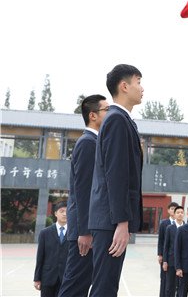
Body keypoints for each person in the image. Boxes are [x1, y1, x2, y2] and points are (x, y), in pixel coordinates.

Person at [88, 64, 144, 297]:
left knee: (107, 286)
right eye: (138, 82)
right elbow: (116, 174)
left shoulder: (122, 119)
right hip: (111, 221)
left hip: (111, 219)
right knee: (104, 287)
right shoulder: (117, 119)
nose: (142, 88)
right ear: (124, 86)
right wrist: (122, 222)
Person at [58, 94, 109, 297]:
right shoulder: (88, 143)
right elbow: (83, 191)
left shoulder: (94, 142)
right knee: (74, 287)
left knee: (80, 285)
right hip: (84, 233)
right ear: (93, 115)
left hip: (86, 230)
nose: (110, 113)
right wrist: (86, 232)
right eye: (106, 110)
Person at [33, 201, 69, 297]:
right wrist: (37, 278)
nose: (65, 214)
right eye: (62, 211)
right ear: (55, 213)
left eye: (68, 211)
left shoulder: (75, 234)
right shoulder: (45, 233)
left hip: (67, 278)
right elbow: (40, 257)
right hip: (47, 278)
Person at [158, 201, 180, 297]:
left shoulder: (182, 224)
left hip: (178, 258)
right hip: (166, 256)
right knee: (164, 279)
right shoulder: (164, 223)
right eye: (172, 209)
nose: (174, 211)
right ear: (168, 211)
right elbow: (161, 240)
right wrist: (160, 254)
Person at [163, 205, 185, 297]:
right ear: (174, 215)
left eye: (182, 212)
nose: (180, 214)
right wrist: (165, 261)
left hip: (184, 261)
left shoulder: (186, 227)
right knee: (170, 286)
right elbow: (166, 245)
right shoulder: (170, 228)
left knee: (182, 287)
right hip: (171, 260)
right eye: (178, 213)